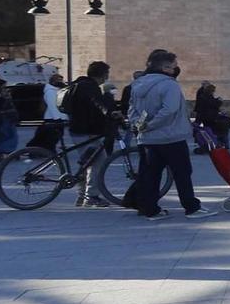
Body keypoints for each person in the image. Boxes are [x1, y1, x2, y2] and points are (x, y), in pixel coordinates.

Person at [121, 49, 205, 219]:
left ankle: (149, 209)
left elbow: (132, 110)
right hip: (171, 136)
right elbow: (170, 110)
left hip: (147, 139)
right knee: (182, 173)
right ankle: (191, 207)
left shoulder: (137, 85)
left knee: (150, 174)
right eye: (174, 66)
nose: (176, 69)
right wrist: (151, 125)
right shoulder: (169, 84)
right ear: (166, 67)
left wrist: (141, 126)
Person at [64, 61, 119, 206]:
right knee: (99, 162)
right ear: (103, 75)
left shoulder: (79, 84)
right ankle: (91, 196)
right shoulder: (89, 87)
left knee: (88, 162)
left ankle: (82, 196)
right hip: (86, 131)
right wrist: (109, 108)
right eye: (107, 74)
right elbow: (97, 103)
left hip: (78, 129)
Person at [193, 81, 230, 149]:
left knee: (209, 130)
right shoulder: (205, 95)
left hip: (206, 116)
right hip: (210, 117)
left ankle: (215, 143)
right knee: (215, 131)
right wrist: (219, 101)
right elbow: (213, 104)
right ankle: (219, 143)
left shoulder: (204, 95)